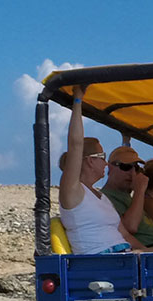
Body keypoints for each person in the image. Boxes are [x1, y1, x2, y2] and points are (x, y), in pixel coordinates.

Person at [57, 85, 142, 254]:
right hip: (102, 260)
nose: (106, 164)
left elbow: (125, 234)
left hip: (124, 256)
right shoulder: (73, 191)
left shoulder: (101, 197)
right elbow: (75, 145)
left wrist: (152, 252)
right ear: (89, 160)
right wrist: (78, 100)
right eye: (103, 157)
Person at [99, 144, 153, 247]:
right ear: (110, 167)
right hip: (145, 252)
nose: (132, 173)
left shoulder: (129, 197)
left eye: (136, 168)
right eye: (126, 167)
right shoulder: (104, 198)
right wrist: (139, 190)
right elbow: (130, 227)